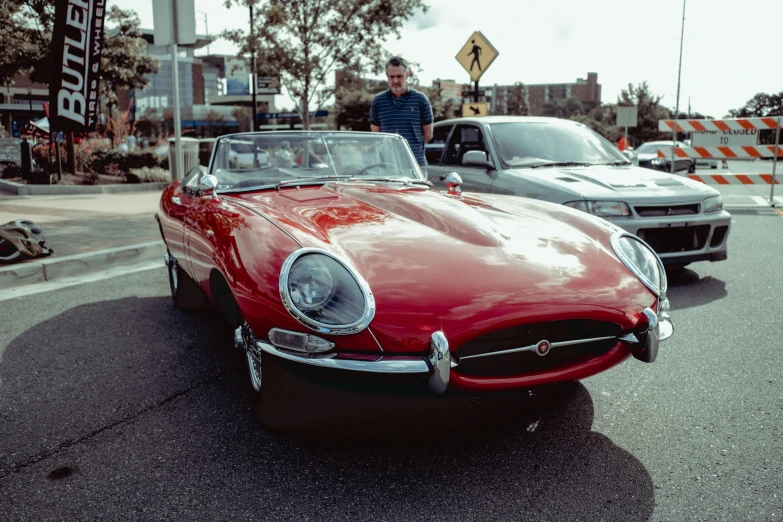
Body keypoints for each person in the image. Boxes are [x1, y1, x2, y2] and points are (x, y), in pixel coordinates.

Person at [370, 56, 433, 174]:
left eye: (399, 76)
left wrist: (408, 151)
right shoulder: (378, 101)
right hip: (386, 166)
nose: (395, 81)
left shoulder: (420, 100)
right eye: (391, 77)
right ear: (387, 77)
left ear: (407, 75)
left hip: (415, 165)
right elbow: (376, 135)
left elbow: (428, 135)